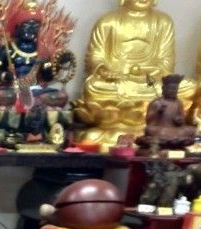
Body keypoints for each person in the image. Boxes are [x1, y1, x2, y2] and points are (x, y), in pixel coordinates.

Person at [75, 0, 194, 147]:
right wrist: (105, 70)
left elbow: (166, 63)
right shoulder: (108, 21)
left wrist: (144, 72)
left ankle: (152, 128)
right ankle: (122, 126)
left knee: (188, 87)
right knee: (93, 87)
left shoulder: (163, 22)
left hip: (150, 82)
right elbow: (95, 56)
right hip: (116, 81)